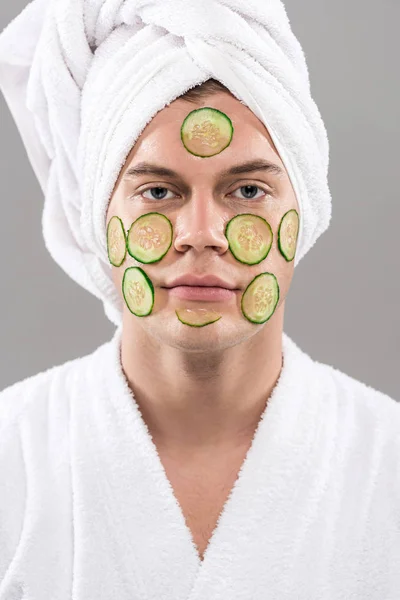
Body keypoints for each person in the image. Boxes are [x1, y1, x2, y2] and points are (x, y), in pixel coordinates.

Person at [0, 1, 399, 599]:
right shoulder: (12, 458)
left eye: (247, 189)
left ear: (307, 208)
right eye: (158, 190)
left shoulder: (387, 465)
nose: (202, 231)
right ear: (98, 216)